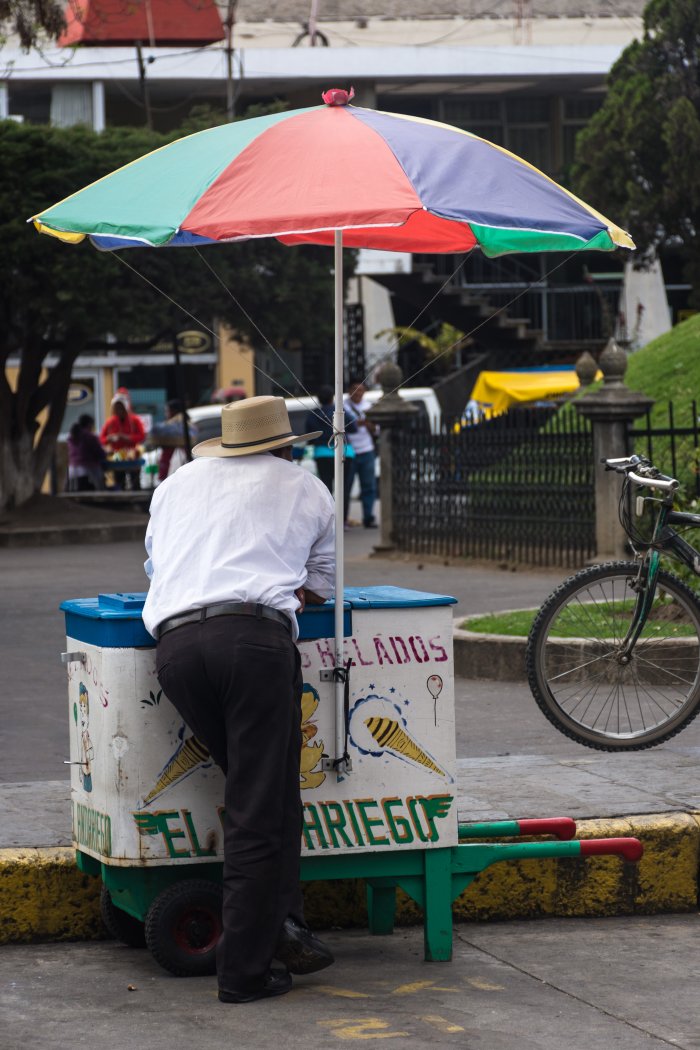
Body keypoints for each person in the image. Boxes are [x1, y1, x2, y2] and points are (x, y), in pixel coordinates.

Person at [142, 395, 336, 1004]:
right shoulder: (307, 488)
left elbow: (157, 567)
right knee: (258, 806)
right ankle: (243, 971)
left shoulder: (175, 485)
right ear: (284, 443)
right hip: (253, 645)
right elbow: (322, 586)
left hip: (175, 649)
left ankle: (283, 928)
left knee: (273, 796)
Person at [304, 385, 356, 497]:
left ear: (318, 399)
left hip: (322, 454)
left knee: (326, 489)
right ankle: (343, 514)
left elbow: (309, 437)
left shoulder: (313, 415)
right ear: (333, 397)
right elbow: (354, 428)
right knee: (344, 490)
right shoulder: (340, 412)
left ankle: (329, 514)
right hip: (344, 453)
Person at [343, 377, 378, 528]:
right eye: (355, 390)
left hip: (366, 450)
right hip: (349, 451)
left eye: (361, 390)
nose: (358, 393)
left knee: (369, 486)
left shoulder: (369, 406)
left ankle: (368, 517)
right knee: (346, 486)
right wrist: (358, 423)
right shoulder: (343, 406)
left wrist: (368, 424)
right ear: (349, 391)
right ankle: (343, 518)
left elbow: (376, 430)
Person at [146, 398, 199, 482]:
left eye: (167, 411)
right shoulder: (185, 422)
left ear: (173, 411)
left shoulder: (176, 423)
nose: (166, 414)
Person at [100, 394, 146, 490]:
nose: (119, 410)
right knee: (119, 481)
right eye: (117, 408)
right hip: (117, 455)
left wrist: (127, 438)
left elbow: (142, 436)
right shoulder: (110, 422)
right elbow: (102, 439)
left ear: (126, 408)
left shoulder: (135, 420)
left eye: (121, 408)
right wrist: (109, 438)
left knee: (135, 481)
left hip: (132, 454)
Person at [66, 414, 105, 492]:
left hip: (71, 472)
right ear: (89, 424)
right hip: (88, 473)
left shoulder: (72, 437)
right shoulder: (90, 437)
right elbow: (101, 454)